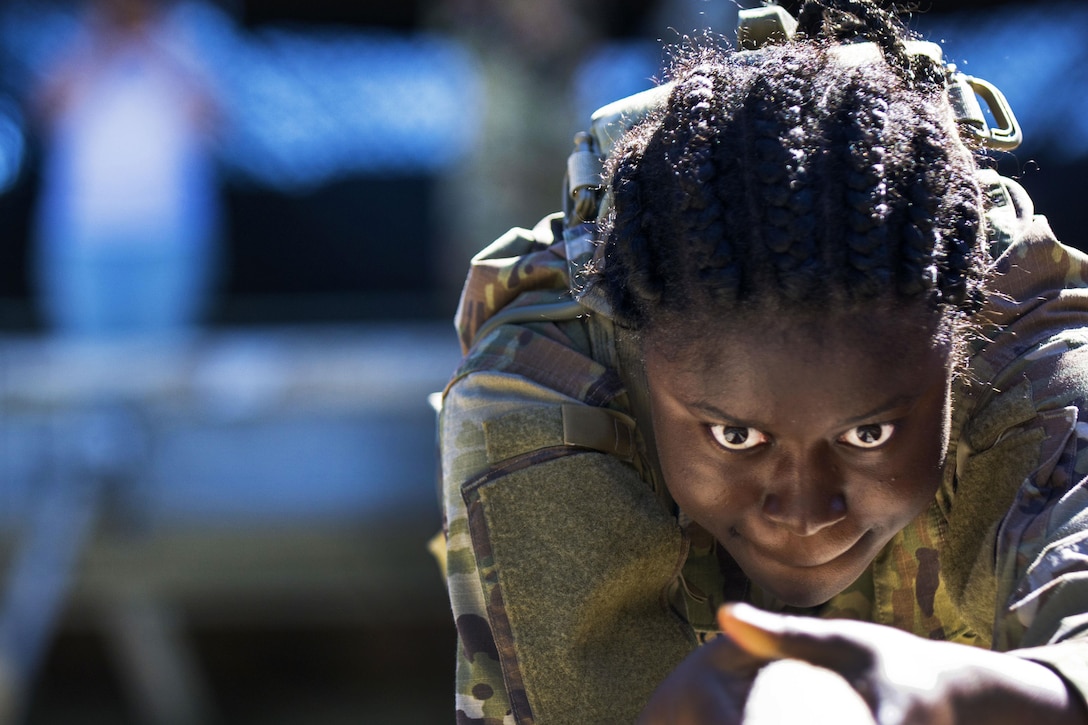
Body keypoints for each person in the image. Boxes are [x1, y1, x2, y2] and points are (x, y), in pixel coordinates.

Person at [435, 1, 1088, 722]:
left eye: (867, 434)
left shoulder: (1029, 347)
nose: (804, 513)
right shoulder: (545, 392)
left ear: (959, 347)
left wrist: (969, 691)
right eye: (735, 435)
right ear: (642, 354)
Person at [28, 0, 222, 338]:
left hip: (168, 234)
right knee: (85, 366)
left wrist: (152, 45)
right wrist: (103, 45)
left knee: (163, 368)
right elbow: (45, 114)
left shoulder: (194, 32)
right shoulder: (70, 35)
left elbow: (213, 121)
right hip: (83, 235)